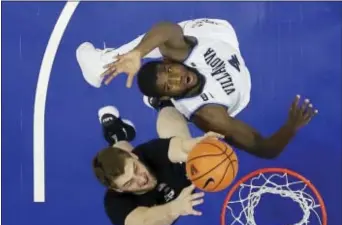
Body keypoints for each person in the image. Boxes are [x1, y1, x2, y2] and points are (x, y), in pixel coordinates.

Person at [77, 18, 318, 159]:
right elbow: (265, 149)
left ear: (171, 63)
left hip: (222, 39)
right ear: (168, 94)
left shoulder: (180, 54)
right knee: (178, 125)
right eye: (169, 86)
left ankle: (124, 58)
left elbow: (167, 29)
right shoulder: (211, 115)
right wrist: (291, 126)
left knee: (164, 39)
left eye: (170, 71)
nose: (177, 79)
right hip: (235, 95)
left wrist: (138, 53)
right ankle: (103, 65)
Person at [93, 104, 223, 225]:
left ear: (135, 157)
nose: (142, 179)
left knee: (171, 121)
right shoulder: (115, 205)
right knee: (122, 150)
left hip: (176, 171)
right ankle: (117, 136)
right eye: (129, 183)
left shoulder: (148, 153)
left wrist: (196, 146)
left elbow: (180, 147)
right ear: (118, 189)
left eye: (136, 169)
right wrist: (176, 208)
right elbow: (145, 221)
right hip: (165, 207)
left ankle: (163, 102)